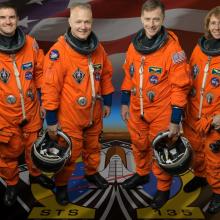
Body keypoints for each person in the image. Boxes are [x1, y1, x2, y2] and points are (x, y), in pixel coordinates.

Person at [42, 2, 114, 205]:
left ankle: (91, 173)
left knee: (93, 148)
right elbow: (50, 89)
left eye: (87, 22)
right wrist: (52, 120)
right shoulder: (58, 53)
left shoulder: (97, 48)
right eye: (79, 22)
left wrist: (107, 101)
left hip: (93, 112)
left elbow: (106, 75)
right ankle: (62, 186)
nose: (83, 26)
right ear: (70, 22)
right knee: (69, 154)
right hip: (69, 116)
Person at [120, 0, 190, 209]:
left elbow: (181, 87)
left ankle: (162, 188)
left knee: (162, 151)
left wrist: (175, 119)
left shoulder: (173, 50)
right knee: (139, 144)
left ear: (163, 19)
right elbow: (128, 75)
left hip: (161, 110)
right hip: (136, 107)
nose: (151, 24)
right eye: (148, 19)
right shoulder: (135, 45)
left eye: (156, 19)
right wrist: (125, 103)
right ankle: (141, 174)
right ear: (141, 18)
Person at [0, 3, 54, 207]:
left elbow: (40, 73)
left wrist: (43, 100)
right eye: (3, 18)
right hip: (5, 114)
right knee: (8, 153)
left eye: (11, 17)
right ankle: (12, 184)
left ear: (16, 19)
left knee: (34, 148)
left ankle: (35, 175)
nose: (8, 21)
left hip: (31, 109)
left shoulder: (30, 43)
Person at [182, 6, 220, 214]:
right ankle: (200, 176)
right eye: (213, 23)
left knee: (215, 160)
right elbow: (189, 78)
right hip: (194, 113)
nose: (217, 28)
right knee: (197, 153)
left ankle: (218, 193)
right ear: (208, 25)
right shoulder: (200, 48)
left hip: (215, 118)